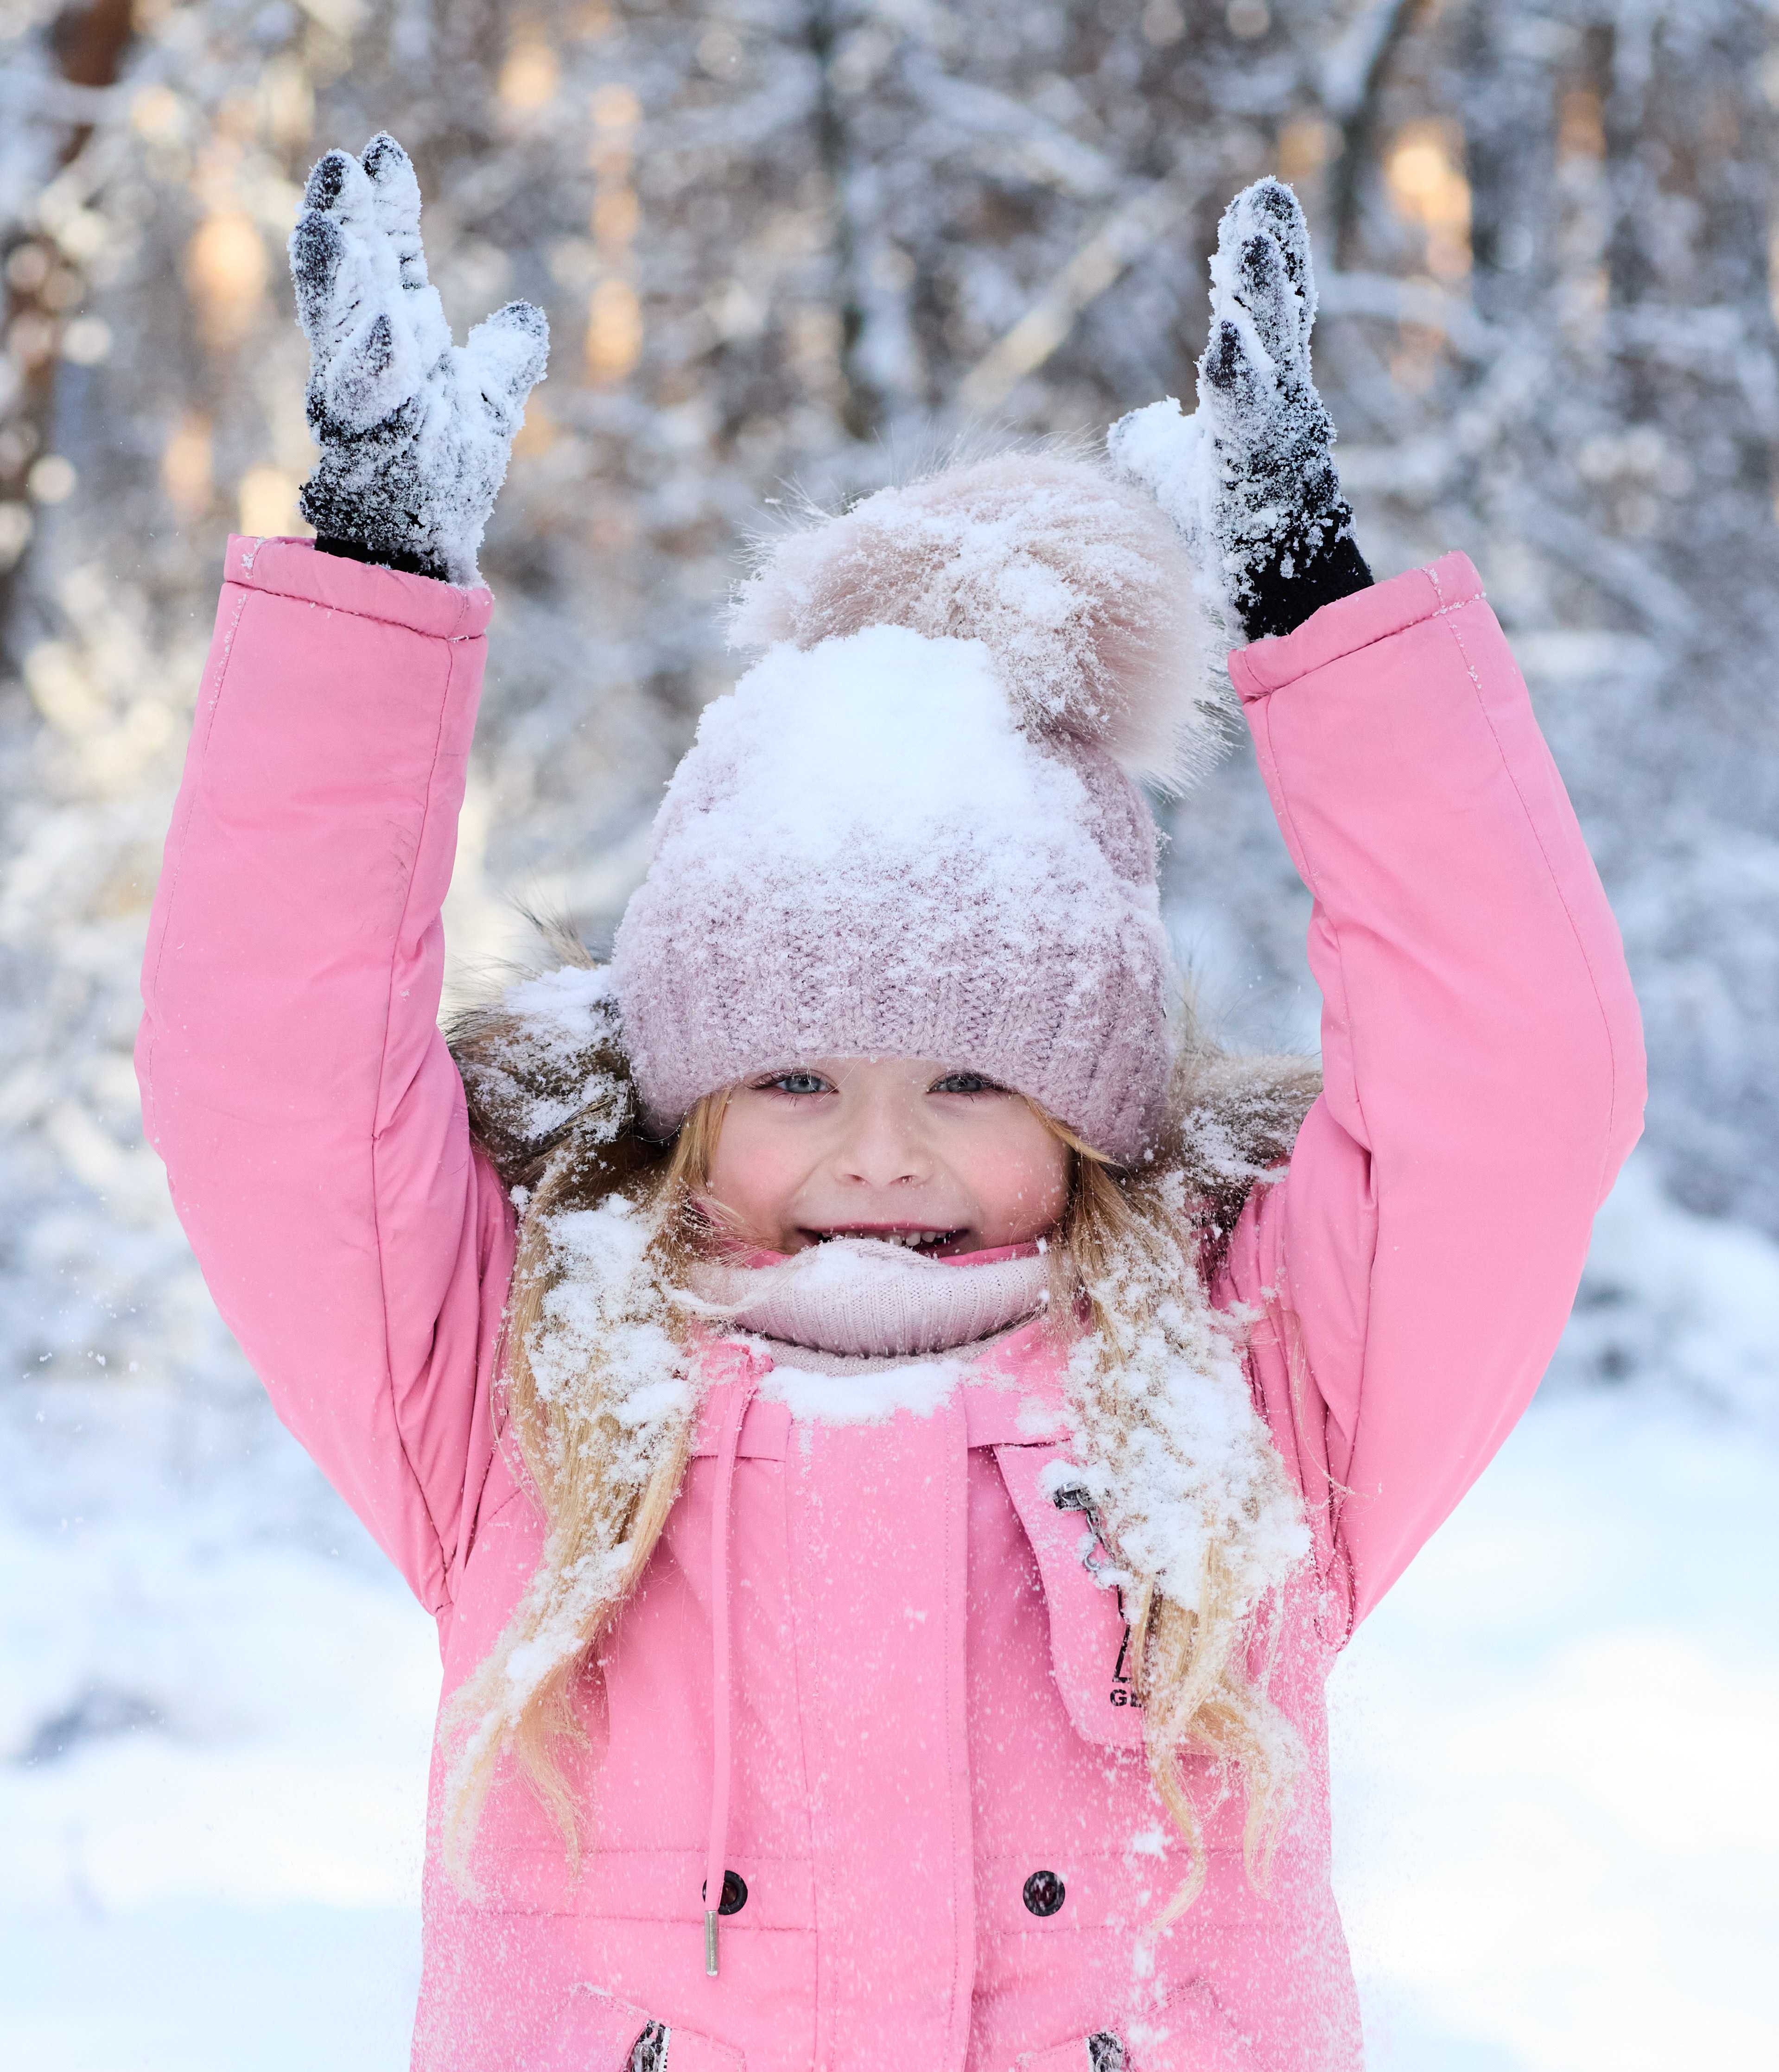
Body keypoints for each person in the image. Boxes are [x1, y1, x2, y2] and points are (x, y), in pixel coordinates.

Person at [135, 135, 1643, 2072]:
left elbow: (1519, 1085)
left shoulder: (1246, 1399)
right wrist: (372, 581)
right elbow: (264, 1073)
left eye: (967, 1075)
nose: (878, 1151)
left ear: (1092, 1101)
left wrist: (1314, 613)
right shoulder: (517, 1401)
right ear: (683, 1100)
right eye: (790, 1077)